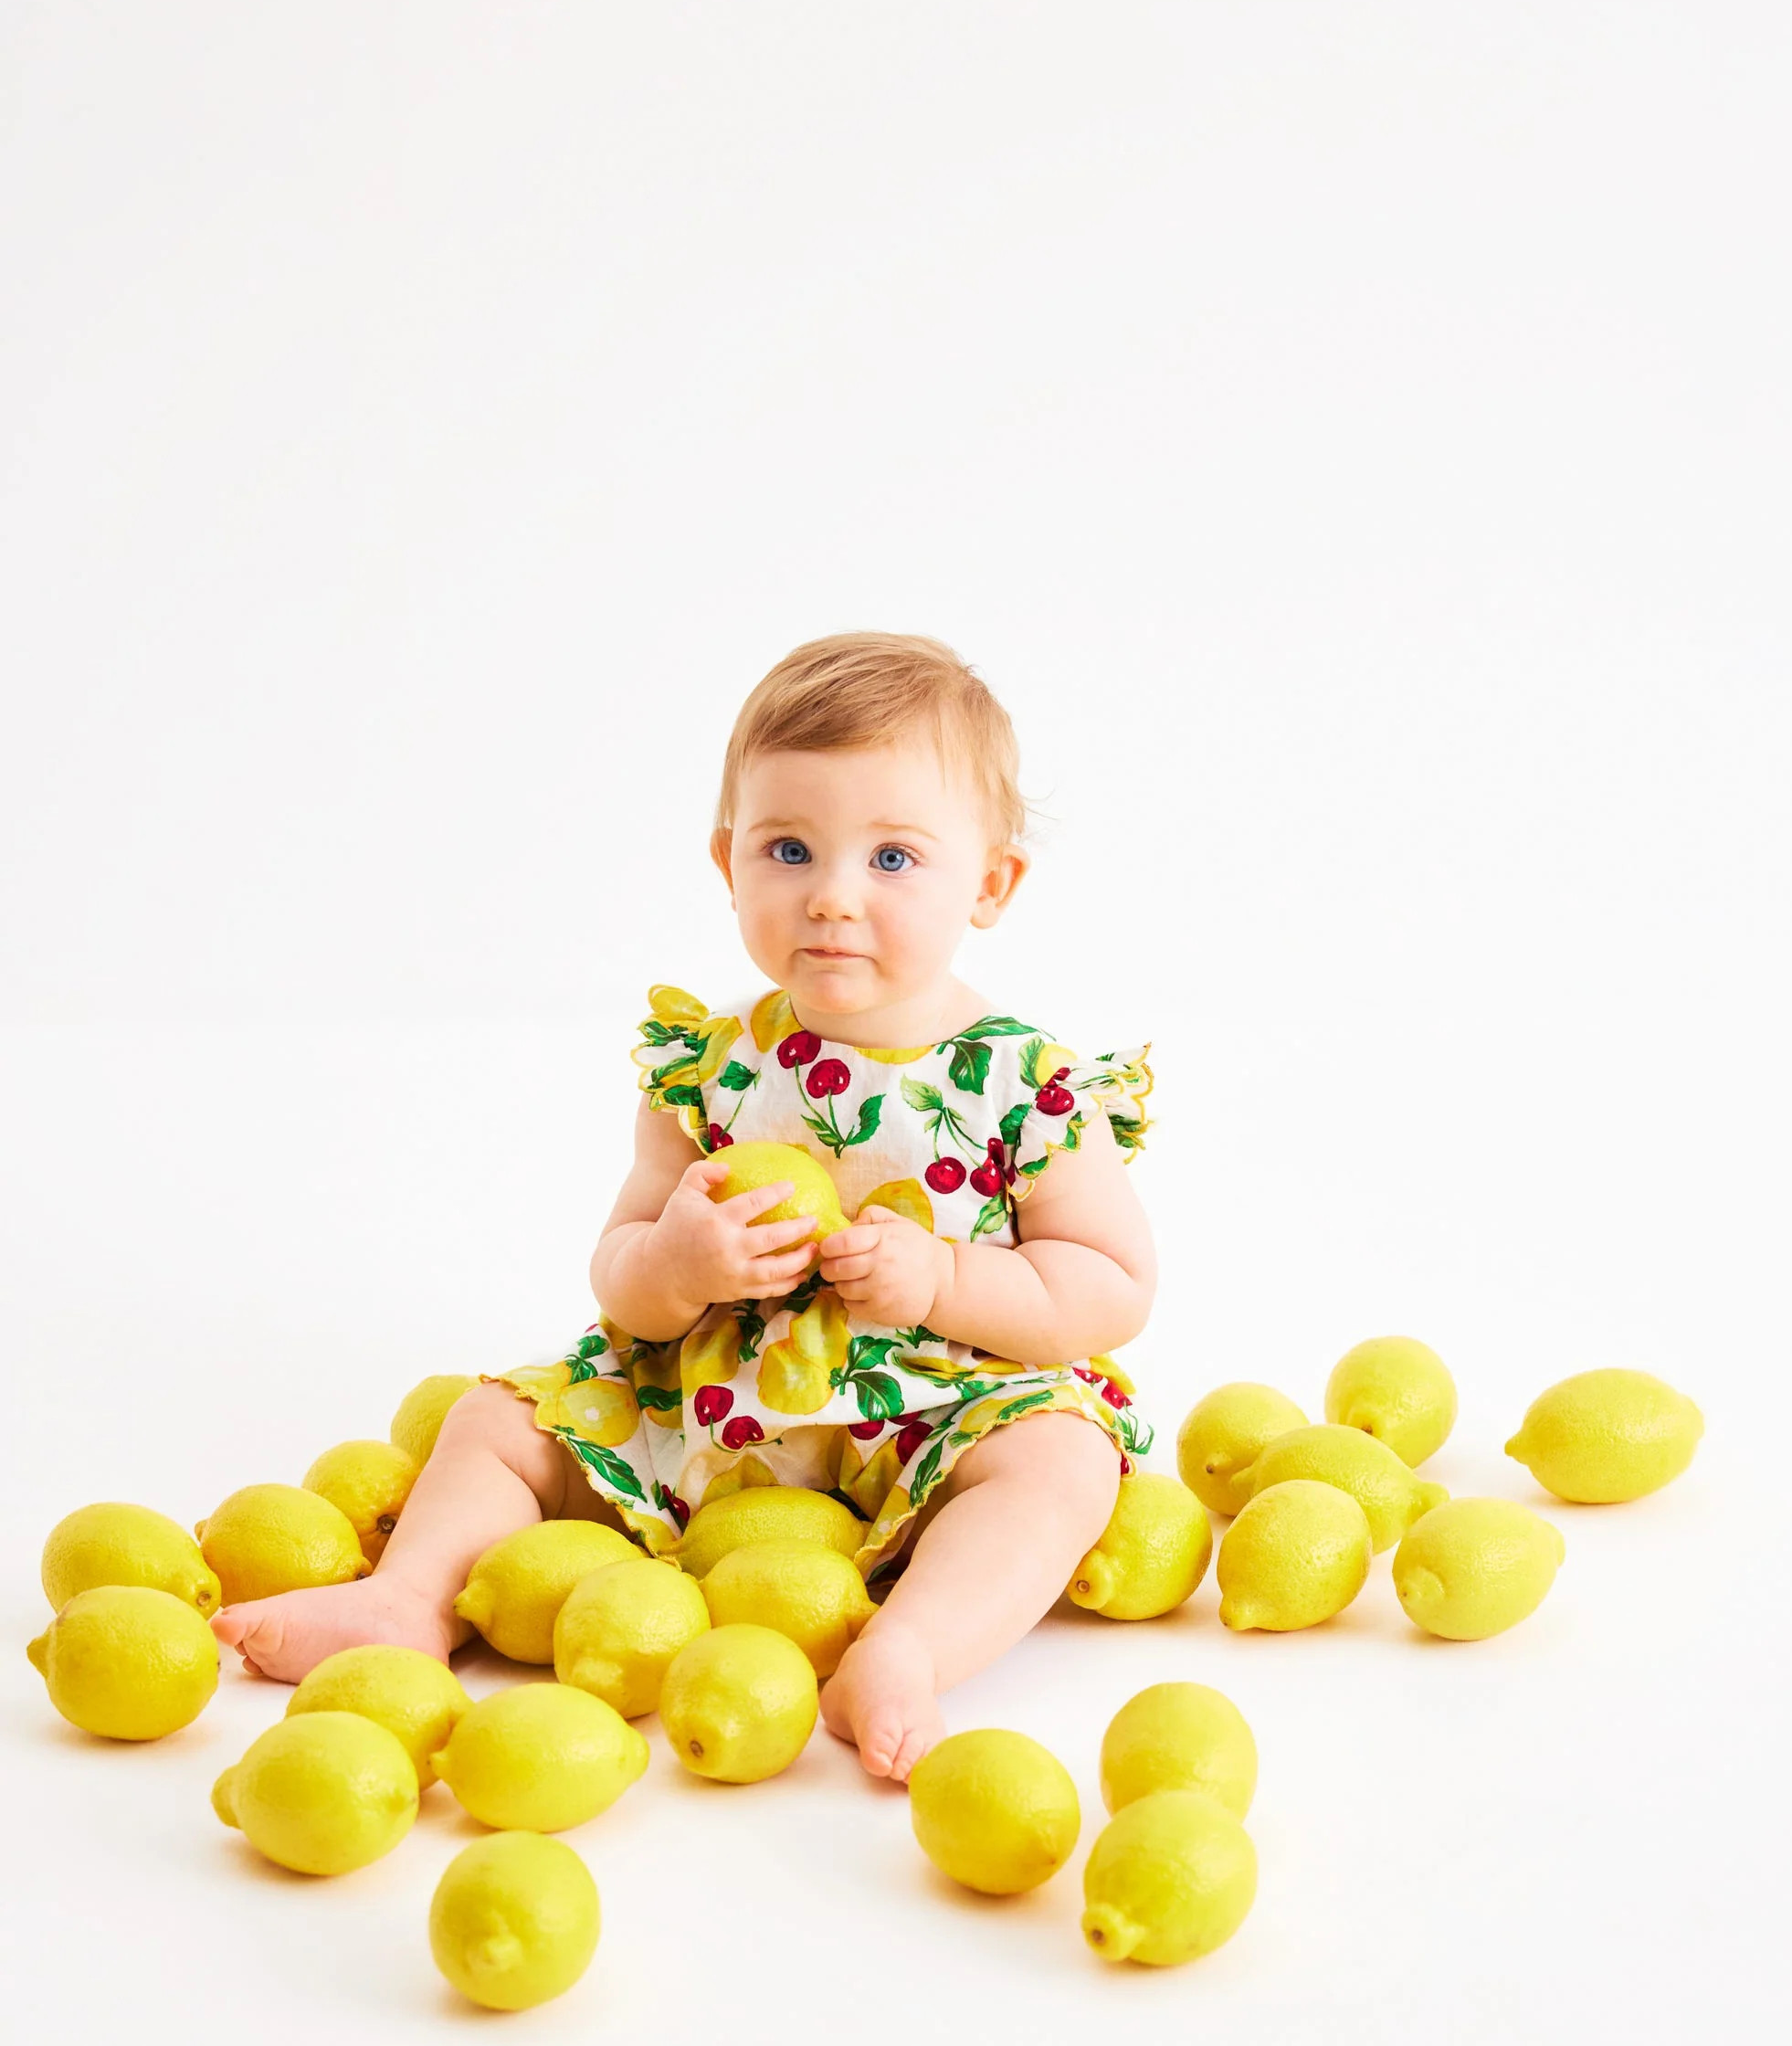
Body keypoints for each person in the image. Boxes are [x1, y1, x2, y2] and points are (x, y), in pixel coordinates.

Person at [214, 632, 1156, 1781]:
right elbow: (620, 1264)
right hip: (712, 1395)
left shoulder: (1031, 1086)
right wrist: (678, 1260)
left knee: (1062, 1466)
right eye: (789, 848)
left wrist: (947, 1280)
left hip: (937, 1405)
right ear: (728, 861)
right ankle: (409, 1598)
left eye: (894, 859)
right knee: (494, 1421)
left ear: (991, 883)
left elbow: (1108, 1287)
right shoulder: (705, 1067)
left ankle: (904, 1650)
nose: (832, 898)